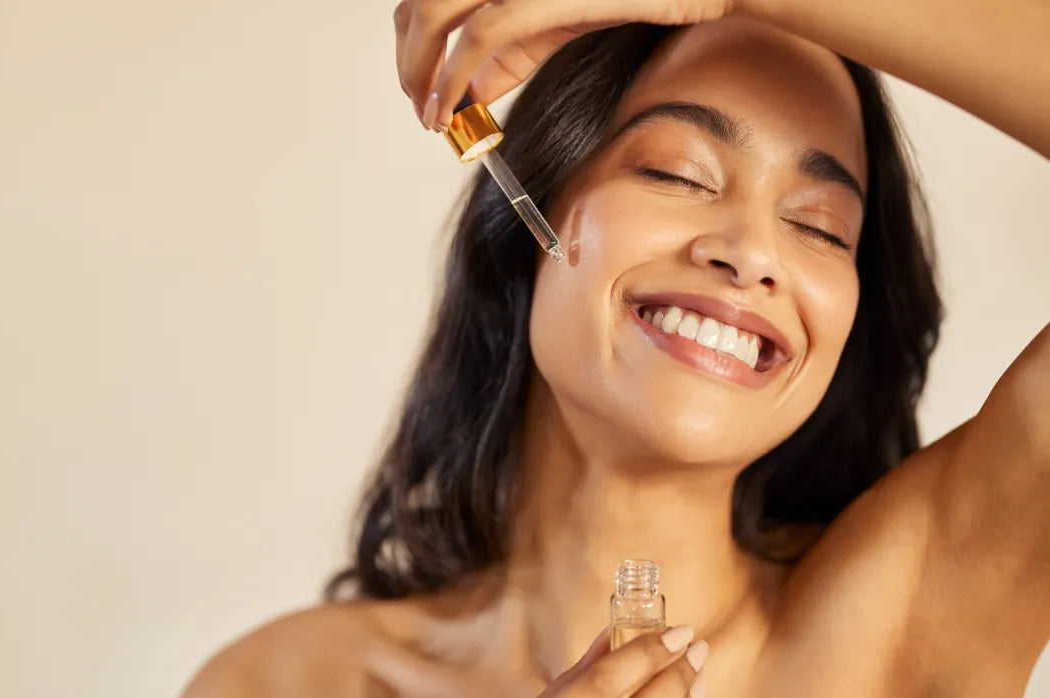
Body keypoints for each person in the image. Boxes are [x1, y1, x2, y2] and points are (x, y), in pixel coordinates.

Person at [187, 0, 1049, 696]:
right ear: (528, 221)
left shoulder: (911, 618)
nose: (752, 253)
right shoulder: (282, 682)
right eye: (677, 173)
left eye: (819, 228)